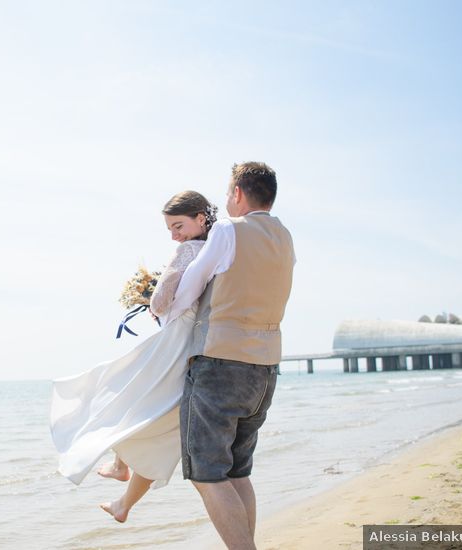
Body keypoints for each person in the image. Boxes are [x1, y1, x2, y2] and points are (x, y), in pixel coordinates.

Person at [49, 190, 219, 523]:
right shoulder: (218, 249)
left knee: (119, 389)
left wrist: (153, 298)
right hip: (197, 346)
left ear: (201, 218)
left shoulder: (187, 250)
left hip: (174, 342)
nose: (174, 235)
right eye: (170, 229)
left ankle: (119, 468)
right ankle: (123, 499)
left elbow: (160, 302)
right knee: (159, 423)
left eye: (178, 225)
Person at [169, 162, 295, 549]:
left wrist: (164, 313)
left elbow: (189, 287)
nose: (226, 201)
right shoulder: (285, 237)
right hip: (265, 368)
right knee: (238, 472)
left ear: (238, 193)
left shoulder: (228, 230)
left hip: (220, 364)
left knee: (207, 474)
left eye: (227, 193)